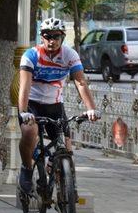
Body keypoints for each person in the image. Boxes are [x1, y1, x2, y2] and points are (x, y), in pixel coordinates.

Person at [18, 18, 99, 194]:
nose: (51, 41)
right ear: (42, 37)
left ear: (62, 37)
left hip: (54, 105)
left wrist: (91, 108)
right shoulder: (31, 55)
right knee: (29, 132)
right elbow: (24, 87)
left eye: (56, 36)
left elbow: (80, 82)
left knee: (66, 147)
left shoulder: (69, 55)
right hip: (32, 104)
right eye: (47, 36)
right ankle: (26, 169)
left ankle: (69, 188)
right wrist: (23, 112)